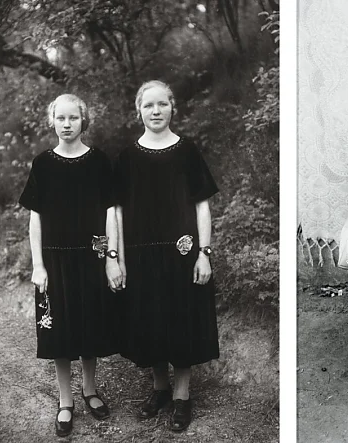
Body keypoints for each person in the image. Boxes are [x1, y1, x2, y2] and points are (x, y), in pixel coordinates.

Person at [114, 80, 219, 432]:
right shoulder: (127, 158)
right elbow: (115, 211)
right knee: (150, 322)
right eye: (149, 106)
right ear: (138, 111)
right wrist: (116, 258)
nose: (156, 111)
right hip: (142, 256)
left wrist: (204, 253)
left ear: (173, 108)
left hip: (182, 255)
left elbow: (202, 206)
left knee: (180, 321)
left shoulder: (187, 151)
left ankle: (182, 396)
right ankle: (160, 388)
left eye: (162, 104)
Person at [19, 94, 123, 437]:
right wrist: (39, 265)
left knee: (89, 327)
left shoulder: (98, 162)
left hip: (90, 258)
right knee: (59, 332)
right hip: (55, 260)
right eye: (60, 118)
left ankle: (89, 390)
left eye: (73, 118)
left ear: (83, 121)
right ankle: (66, 401)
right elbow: (36, 219)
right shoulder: (43, 164)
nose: (67, 124)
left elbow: (110, 213)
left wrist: (111, 259)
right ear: (52, 121)